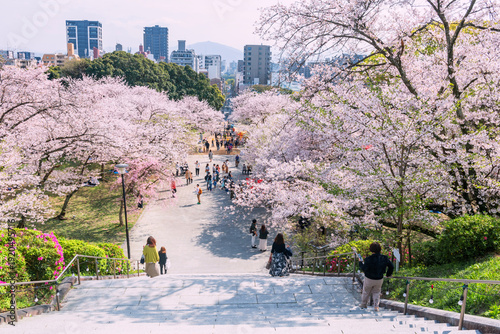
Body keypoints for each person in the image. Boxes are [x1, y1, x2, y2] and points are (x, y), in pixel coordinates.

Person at [359, 242, 394, 311]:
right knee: (377, 292)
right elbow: (391, 266)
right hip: (379, 278)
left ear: (371, 249)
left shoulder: (368, 259)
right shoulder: (384, 258)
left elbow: (364, 268)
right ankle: (376, 306)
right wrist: (388, 274)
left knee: (366, 291)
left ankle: (363, 304)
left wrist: (360, 262)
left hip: (369, 278)